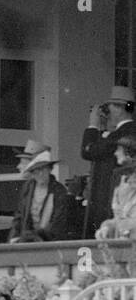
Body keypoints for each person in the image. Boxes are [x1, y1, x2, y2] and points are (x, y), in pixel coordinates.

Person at [82, 85, 136, 236]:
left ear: (120, 108)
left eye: (109, 106)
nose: (107, 111)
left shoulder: (123, 135)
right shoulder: (120, 133)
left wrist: (93, 125)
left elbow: (88, 151)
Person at [10, 150, 81, 243]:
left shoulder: (59, 191)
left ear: (50, 169)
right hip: (26, 241)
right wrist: (14, 236)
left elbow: (58, 223)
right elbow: (19, 214)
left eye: (43, 170)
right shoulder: (28, 187)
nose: (40, 174)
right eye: (36, 171)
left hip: (49, 242)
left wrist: (38, 237)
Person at [96, 126, 136, 241]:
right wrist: (107, 227)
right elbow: (118, 219)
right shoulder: (121, 184)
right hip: (122, 250)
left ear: (129, 154)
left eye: (119, 149)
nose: (115, 153)